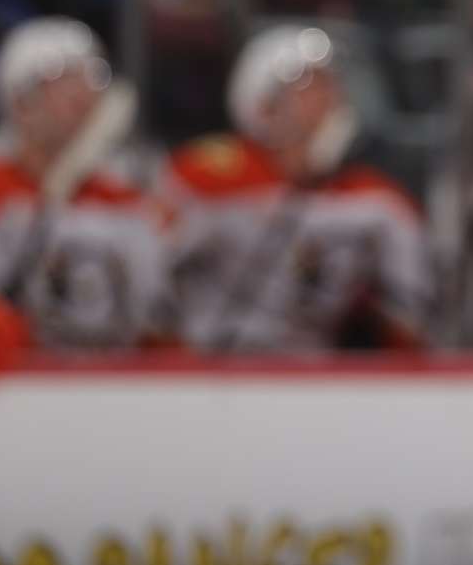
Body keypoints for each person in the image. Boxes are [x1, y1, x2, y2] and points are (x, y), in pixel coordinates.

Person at [160, 25, 432, 352]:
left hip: (311, 375)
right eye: (307, 86)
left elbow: (409, 316)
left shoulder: (371, 197)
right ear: (263, 103)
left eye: (330, 84)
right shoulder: (209, 175)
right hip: (210, 365)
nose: (328, 99)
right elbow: (150, 286)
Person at [0, 17, 168, 349]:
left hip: (109, 384)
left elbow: (158, 320)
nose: (84, 92)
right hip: (10, 385)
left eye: (91, 78)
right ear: (20, 103)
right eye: (60, 78)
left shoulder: (127, 202)